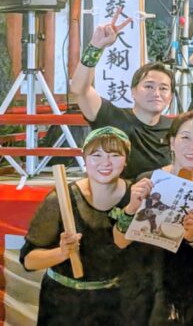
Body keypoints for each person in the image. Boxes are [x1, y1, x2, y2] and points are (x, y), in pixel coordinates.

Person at [114, 110, 193, 325]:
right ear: (172, 142)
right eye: (185, 137)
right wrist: (131, 208)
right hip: (144, 284)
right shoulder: (148, 181)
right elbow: (120, 241)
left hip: (190, 289)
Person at [20, 127, 131, 325]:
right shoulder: (60, 199)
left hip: (119, 303)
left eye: (115, 155)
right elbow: (28, 260)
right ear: (84, 159)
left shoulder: (136, 196)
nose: (105, 162)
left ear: (126, 160)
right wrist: (61, 253)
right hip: (65, 304)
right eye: (96, 155)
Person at [70, 9, 174, 179]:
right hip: (118, 194)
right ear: (133, 91)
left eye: (163, 88)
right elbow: (79, 89)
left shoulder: (175, 129)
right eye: (148, 86)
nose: (156, 93)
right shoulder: (112, 117)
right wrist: (96, 46)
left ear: (170, 96)